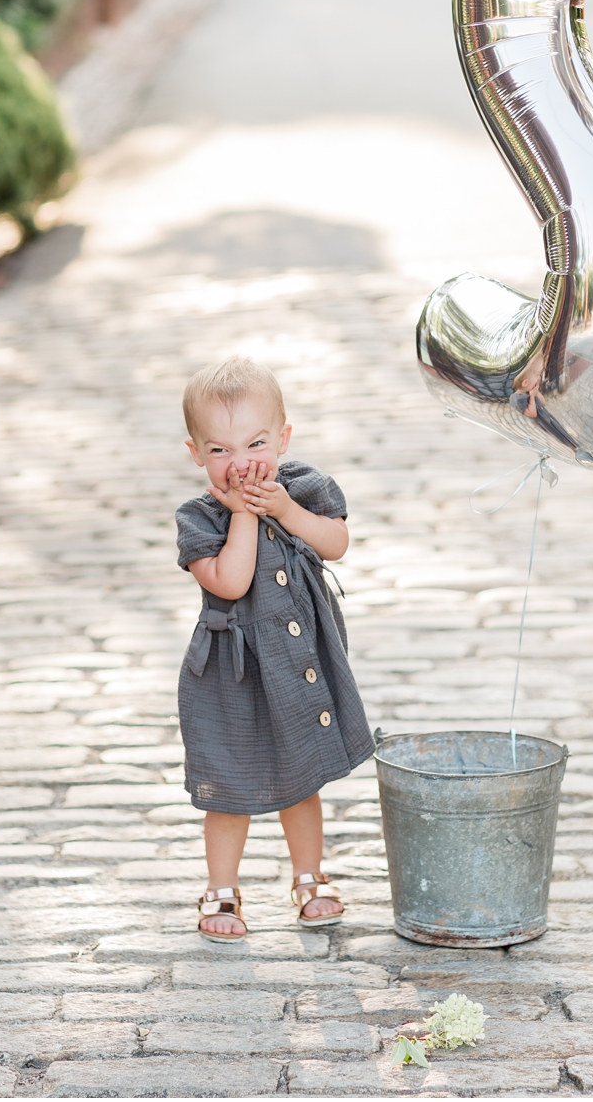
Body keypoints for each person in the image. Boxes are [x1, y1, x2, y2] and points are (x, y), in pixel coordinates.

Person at [173, 357, 373, 938]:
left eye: (256, 443)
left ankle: (309, 876)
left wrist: (284, 509)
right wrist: (243, 518)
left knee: (301, 776)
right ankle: (222, 891)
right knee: (228, 784)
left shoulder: (304, 487)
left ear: (283, 438)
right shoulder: (200, 517)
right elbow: (230, 582)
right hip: (230, 675)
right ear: (196, 455)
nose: (241, 463)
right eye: (221, 450)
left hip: (297, 661)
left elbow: (334, 543)